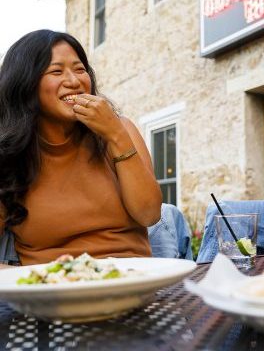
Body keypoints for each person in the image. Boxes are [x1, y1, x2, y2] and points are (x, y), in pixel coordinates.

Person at [0, 30, 162, 265]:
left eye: (80, 69)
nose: (75, 81)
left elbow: (149, 214)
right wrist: (21, 281)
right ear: (26, 84)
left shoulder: (119, 130)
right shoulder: (9, 155)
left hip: (130, 282)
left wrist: (115, 135)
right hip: (53, 291)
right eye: (56, 71)